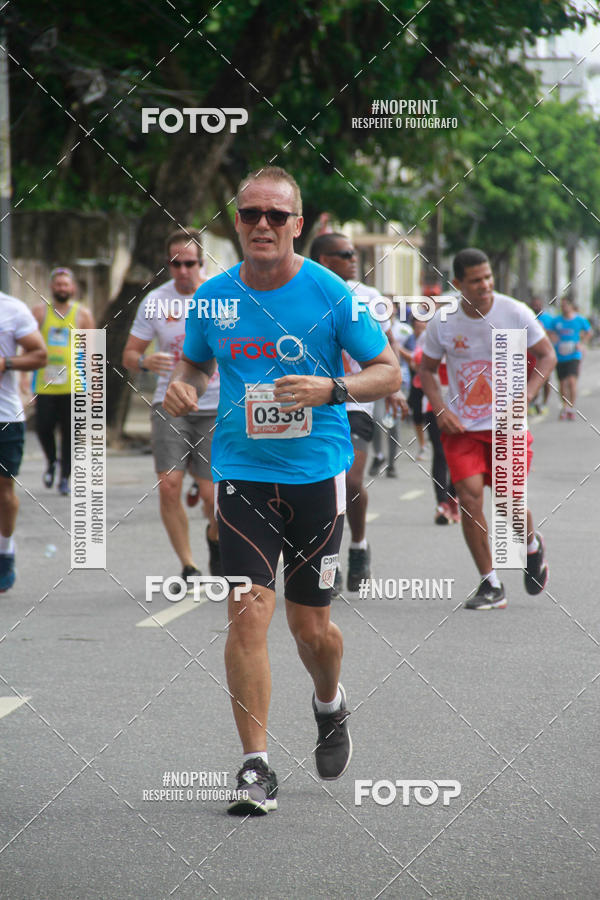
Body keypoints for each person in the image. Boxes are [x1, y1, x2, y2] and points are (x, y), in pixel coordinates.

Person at [164, 166, 401, 814]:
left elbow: (390, 372)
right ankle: (255, 766)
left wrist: (333, 388)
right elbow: (194, 360)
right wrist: (184, 384)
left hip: (313, 477)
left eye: (276, 215)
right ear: (236, 224)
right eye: (250, 215)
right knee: (247, 613)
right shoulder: (213, 296)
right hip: (240, 472)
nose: (262, 225)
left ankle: (329, 702)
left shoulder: (331, 294)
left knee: (312, 630)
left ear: (299, 224)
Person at [420, 248, 555, 610]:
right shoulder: (444, 321)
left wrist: (526, 395)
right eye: (476, 280)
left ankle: (529, 544)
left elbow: (547, 355)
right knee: (469, 499)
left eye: (488, 277)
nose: (486, 286)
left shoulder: (514, 312)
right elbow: (427, 371)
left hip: (507, 426)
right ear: (458, 284)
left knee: (509, 503)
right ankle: (490, 584)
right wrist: (440, 408)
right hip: (462, 427)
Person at [122, 230, 221, 591]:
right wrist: (146, 361)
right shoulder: (155, 302)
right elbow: (129, 356)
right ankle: (189, 566)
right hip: (170, 406)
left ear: (202, 263)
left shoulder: (221, 295)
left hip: (215, 408)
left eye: (189, 263)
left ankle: (214, 536)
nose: (182, 271)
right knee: (169, 485)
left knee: (214, 498)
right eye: (175, 264)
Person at [309, 233, 401, 591]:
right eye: (344, 254)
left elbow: (387, 346)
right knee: (321, 484)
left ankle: (359, 545)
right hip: (312, 402)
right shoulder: (302, 292)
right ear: (322, 259)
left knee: (349, 481)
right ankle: (323, 564)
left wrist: (397, 387)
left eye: (354, 253)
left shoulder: (368, 298)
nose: (353, 259)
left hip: (355, 400)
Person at [31, 268, 95, 495]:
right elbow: (28, 346)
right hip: (45, 383)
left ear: (73, 288)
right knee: (43, 427)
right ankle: (51, 461)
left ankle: (65, 478)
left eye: (65, 285)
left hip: (74, 384)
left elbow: (91, 351)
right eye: (58, 284)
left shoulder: (82, 314)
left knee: (70, 433)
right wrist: (22, 381)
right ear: (51, 287)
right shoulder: (39, 313)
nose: (62, 288)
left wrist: (93, 386)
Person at [0, 290, 47, 590]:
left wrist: (6, 363)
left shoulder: (12, 309)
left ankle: (5, 551)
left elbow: (39, 354)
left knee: (3, 492)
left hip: (4, 416)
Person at [548, 296, 591, 421]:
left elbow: (588, 332)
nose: (564, 307)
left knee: (572, 381)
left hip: (574, 354)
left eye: (566, 305)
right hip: (560, 355)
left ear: (571, 306)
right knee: (562, 383)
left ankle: (571, 406)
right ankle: (565, 406)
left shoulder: (579, 320)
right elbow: (549, 332)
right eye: (562, 305)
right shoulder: (556, 321)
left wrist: (582, 344)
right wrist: (554, 340)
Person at [529, 297, 554, 413]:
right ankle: (533, 403)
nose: (535, 307)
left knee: (545, 379)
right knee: (531, 378)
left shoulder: (548, 319)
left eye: (538, 305)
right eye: (533, 304)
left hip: (543, 354)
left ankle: (544, 402)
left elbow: (552, 334)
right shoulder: (527, 317)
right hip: (530, 355)